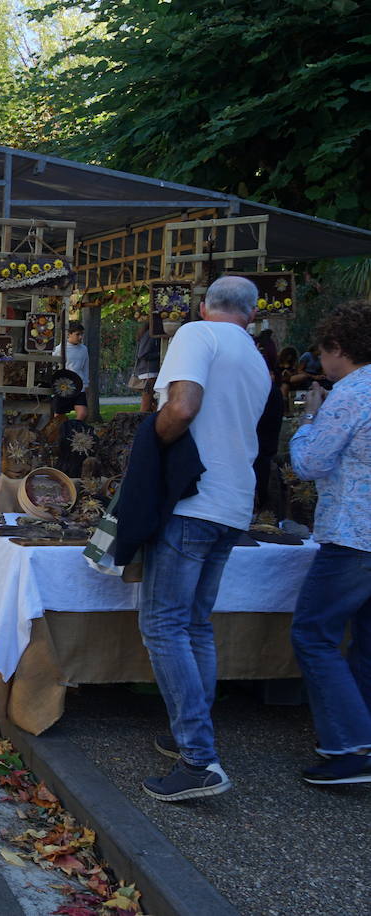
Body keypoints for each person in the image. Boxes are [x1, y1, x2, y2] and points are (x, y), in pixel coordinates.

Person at [139, 275, 268, 802]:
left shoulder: (196, 334)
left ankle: (198, 757)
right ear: (252, 315)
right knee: (194, 624)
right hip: (234, 501)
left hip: (194, 499)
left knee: (163, 624)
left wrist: (152, 439)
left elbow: (183, 407)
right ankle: (191, 738)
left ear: (201, 305)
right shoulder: (256, 358)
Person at [288, 301, 371, 786]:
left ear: (339, 348)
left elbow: (311, 464)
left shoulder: (350, 393)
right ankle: (360, 738)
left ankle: (350, 744)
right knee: (366, 643)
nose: (320, 363)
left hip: (354, 534)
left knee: (313, 634)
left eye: (323, 352)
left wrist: (307, 420)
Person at [53, 321, 91, 420]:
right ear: (69, 334)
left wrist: (86, 384)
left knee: (83, 413)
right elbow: (53, 367)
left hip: (79, 385)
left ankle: (74, 430)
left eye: (81, 334)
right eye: (77, 334)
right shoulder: (59, 349)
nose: (80, 337)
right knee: (58, 417)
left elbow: (85, 367)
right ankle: (63, 433)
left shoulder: (84, 349)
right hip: (63, 386)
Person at [133, 325, 162, 413]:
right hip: (149, 372)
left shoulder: (148, 335)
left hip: (148, 372)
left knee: (151, 402)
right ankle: (141, 423)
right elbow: (142, 354)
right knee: (146, 403)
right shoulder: (149, 335)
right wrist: (159, 354)